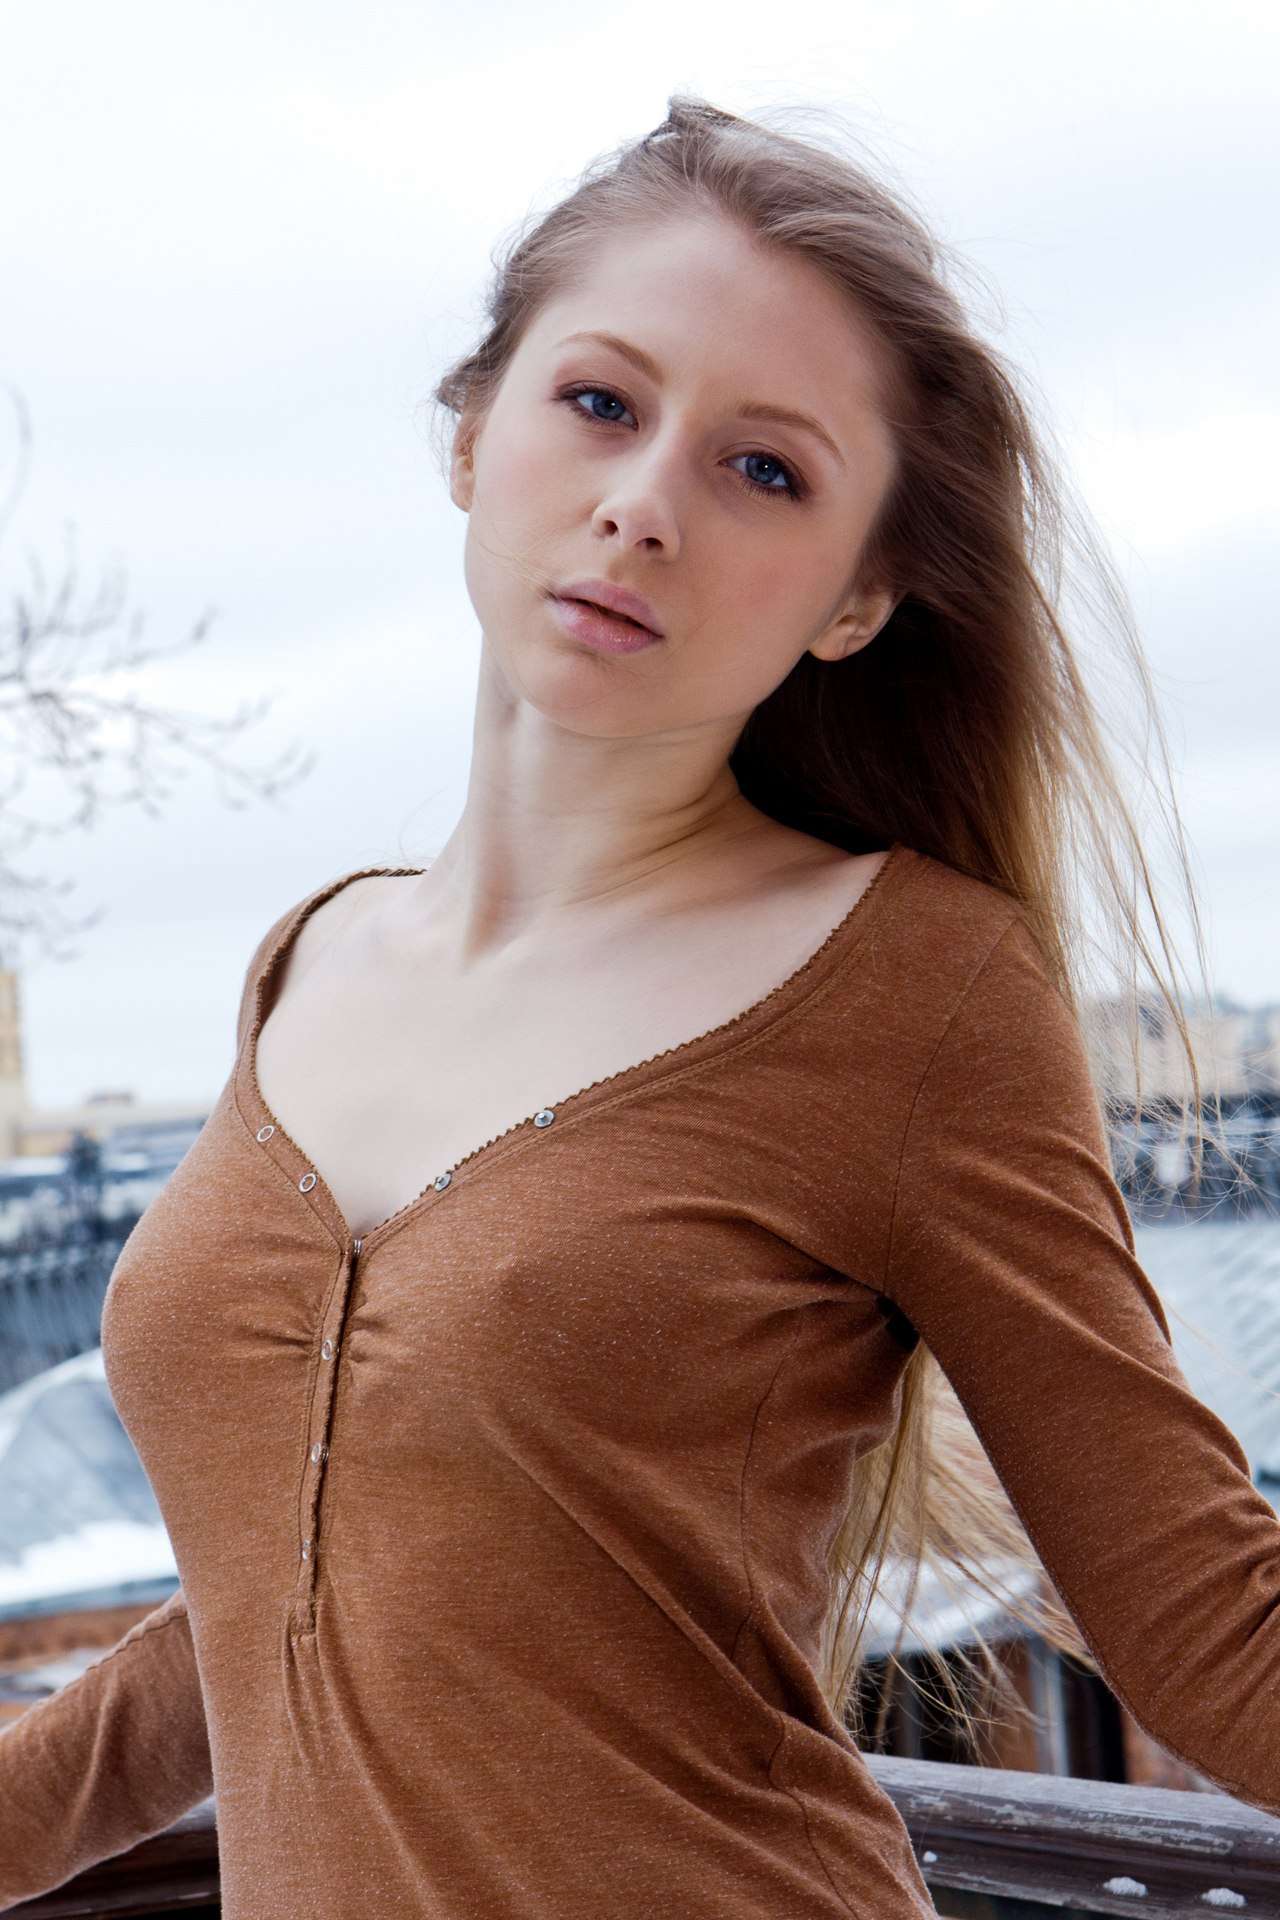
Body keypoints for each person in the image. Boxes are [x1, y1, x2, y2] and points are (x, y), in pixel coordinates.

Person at [2, 93, 1276, 1919]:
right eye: (602, 402)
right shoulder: (308, 958)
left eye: (765, 470)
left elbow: (1209, 1625)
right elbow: (276, 1614)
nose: (641, 506)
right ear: (472, 438)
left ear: (856, 600)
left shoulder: (915, 990)